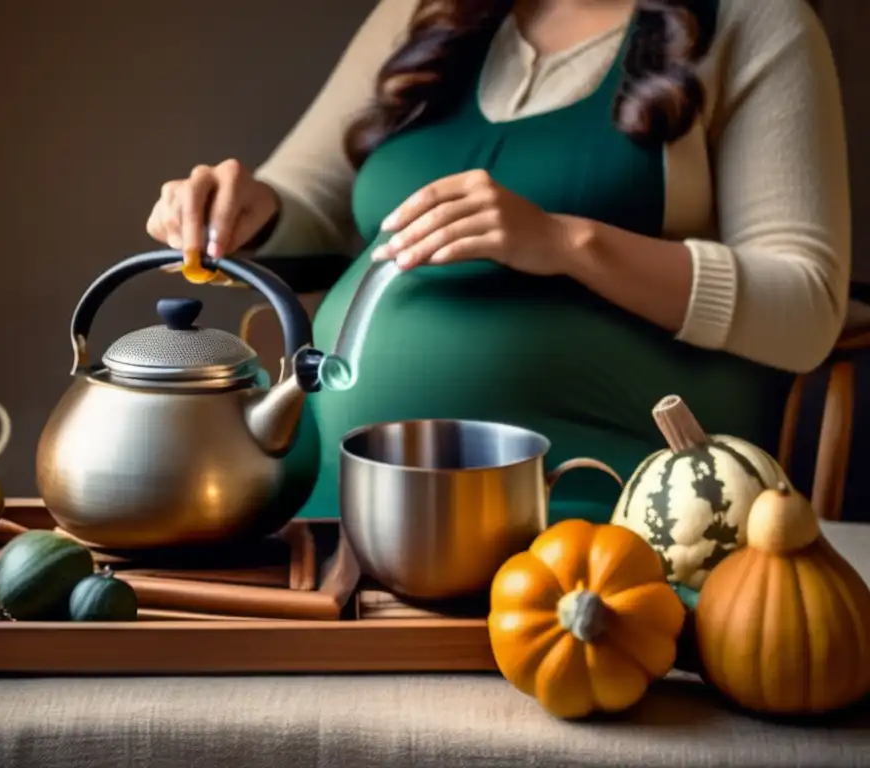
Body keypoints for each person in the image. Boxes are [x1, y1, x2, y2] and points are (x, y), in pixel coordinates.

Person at [146, 0, 851, 523]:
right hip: (347, 496)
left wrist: (566, 244)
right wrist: (242, 207)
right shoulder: (426, 14)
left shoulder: (754, 21)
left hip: (601, 508)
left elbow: (807, 304)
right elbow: (312, 201)